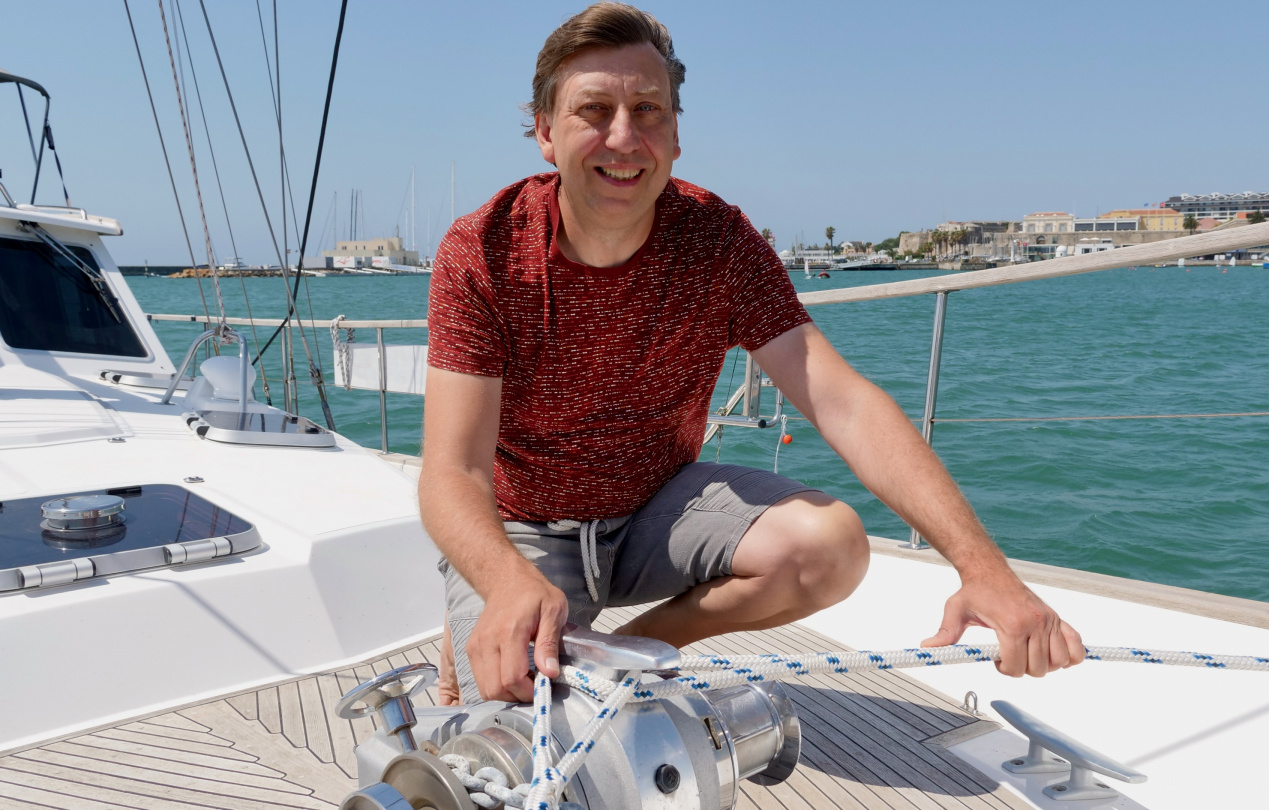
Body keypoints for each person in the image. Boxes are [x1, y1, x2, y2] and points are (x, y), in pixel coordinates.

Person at [420, 2, 1084, 706]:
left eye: (648, 109)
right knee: (510, 726)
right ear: (546, 133)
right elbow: (452, 469)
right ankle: (491, 618)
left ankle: (642, 649)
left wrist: (983, 569)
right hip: (527, 530)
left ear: (676, 134)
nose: (624, 136)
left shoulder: (719, 243)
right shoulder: (485, 250)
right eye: (594, 110)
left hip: (656, 516)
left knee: (830, 545)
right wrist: (501, 579)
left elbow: (844, 403)